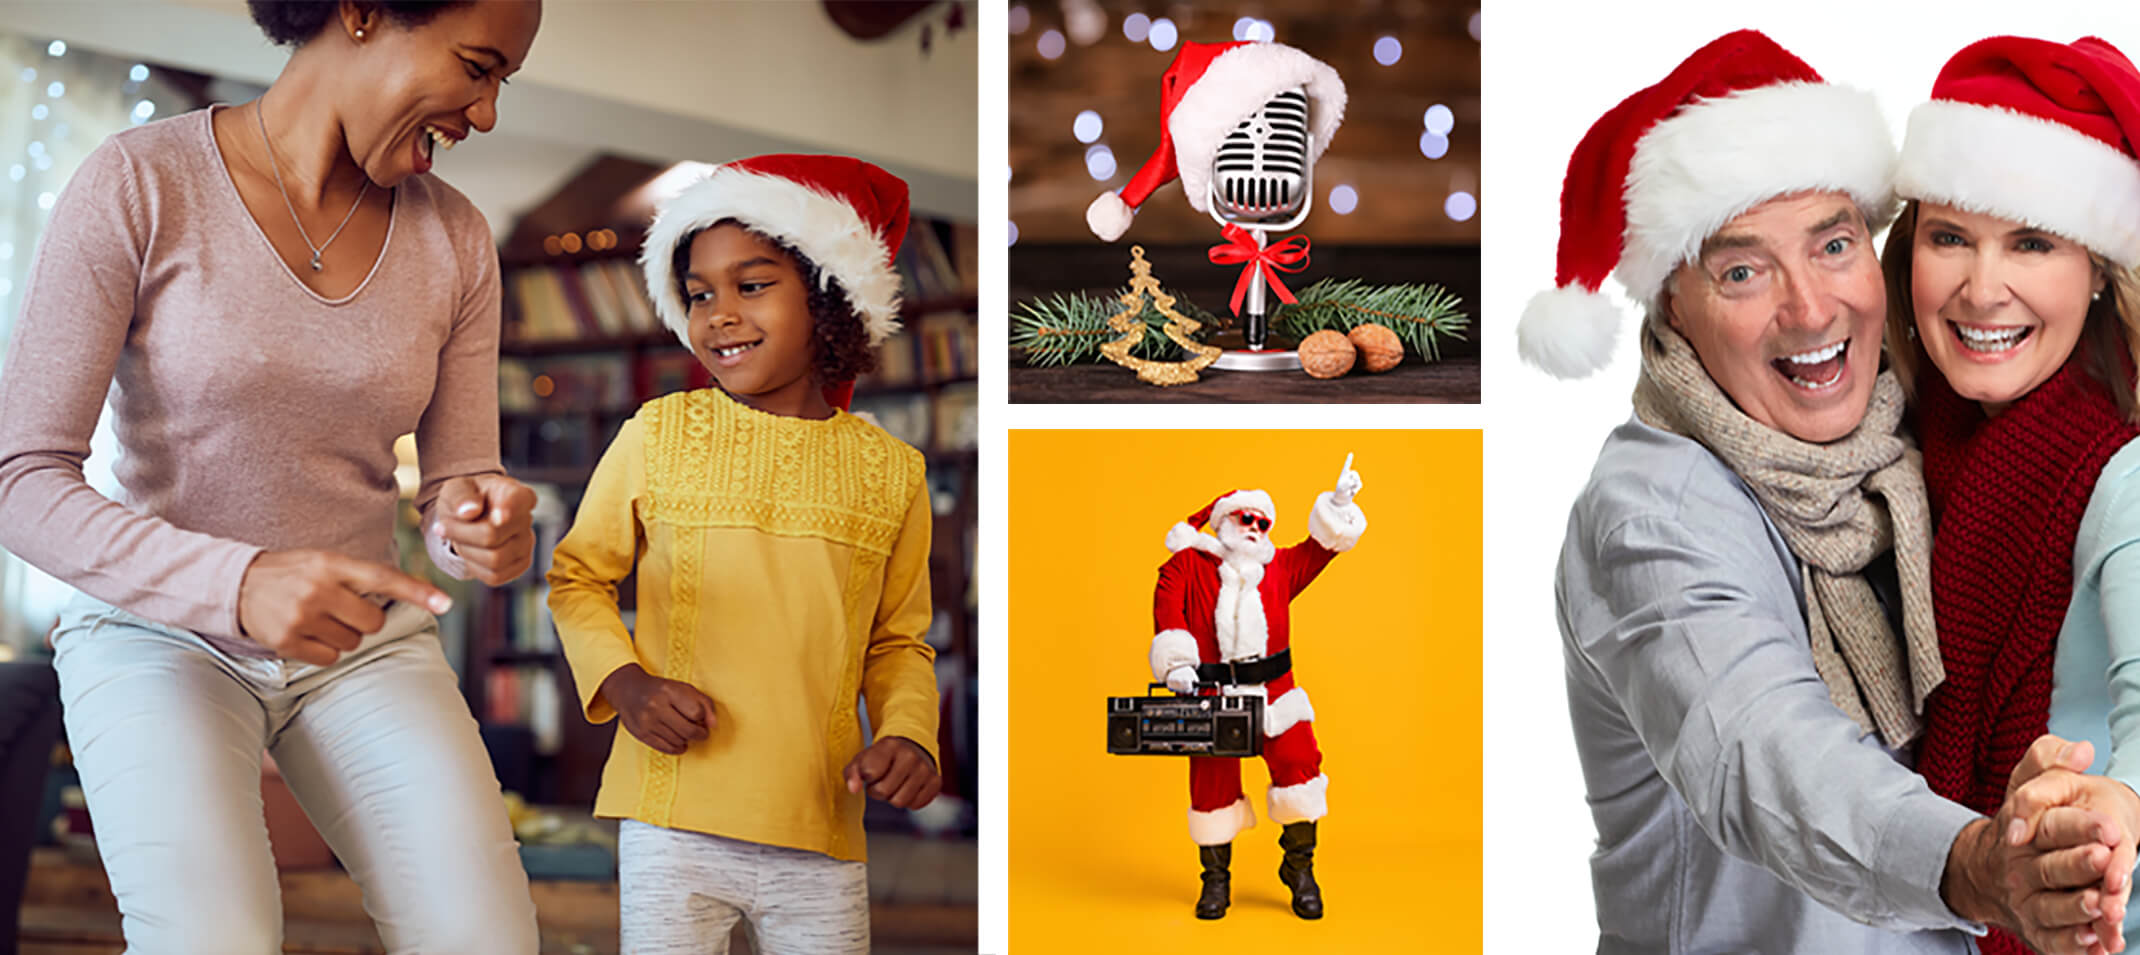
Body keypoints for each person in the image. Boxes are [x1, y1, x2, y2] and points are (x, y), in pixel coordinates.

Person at [1518, 28, 2134, 955]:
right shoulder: (1657, 512)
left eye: (1833, 244)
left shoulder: (1913, 458)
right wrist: (1978, 863)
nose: (1809, 309)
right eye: (1741, 269)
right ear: (1672, 303)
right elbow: (1765, 757)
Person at [0, 1, 545, 950]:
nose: (486, 111)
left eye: (502, 83)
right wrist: (240, 581)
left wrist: (481, 524)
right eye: (476, 66)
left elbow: (460, 481)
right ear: (365, 12)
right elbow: (20, 477)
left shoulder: (456, 237)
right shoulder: (140, 181)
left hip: (361, 646)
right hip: (157, 632)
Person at [546, 153, 942, 954]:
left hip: (821, 823)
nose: (719, 313)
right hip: (670, 817)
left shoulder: (894, 471)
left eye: (751, 285)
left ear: (829, 296)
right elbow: (577, 576)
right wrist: (625, 685)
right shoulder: (658, 433)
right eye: (699, 293)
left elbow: (898, 641)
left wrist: (911, 733)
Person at [1881, 35, 2140, 955]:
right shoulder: (1892, 448)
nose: (1981, 289)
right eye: (1950, 236)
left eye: (2031, 241)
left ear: (2101, 267)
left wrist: (2118, 799)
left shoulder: (2123, 476)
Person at [1147, 461, 1366, 921]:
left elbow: (1322, 547)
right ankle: (1215, 880)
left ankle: (1299, 869)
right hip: (1213, 695)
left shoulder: (1281, 566)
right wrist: (1178, 665)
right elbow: (1167, 609)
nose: (1255, 527)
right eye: (1245, 518)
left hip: (1275, 693)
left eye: (1263, 522)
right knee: (1211, 786)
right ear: (1224, 522)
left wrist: (1339, 504)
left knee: (1300, 769)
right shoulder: (1188, 565)